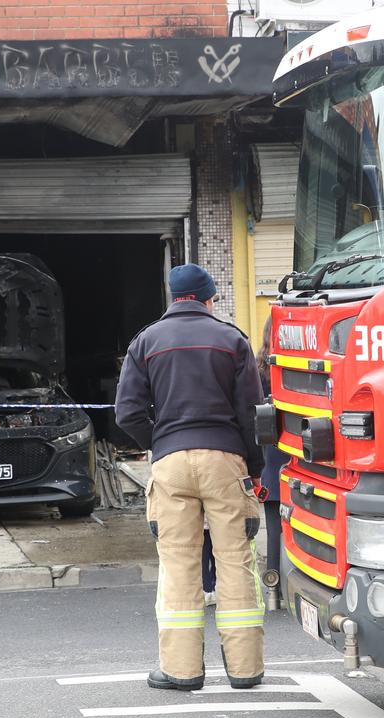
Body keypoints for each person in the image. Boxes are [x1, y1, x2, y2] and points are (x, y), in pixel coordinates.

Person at [115, 263, 266, 692]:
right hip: (225, 461)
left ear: (173, 297)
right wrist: (253, 468)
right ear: (209, 297)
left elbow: (126, 412)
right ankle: (245, 669)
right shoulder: (231, 339)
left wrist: (159, 441)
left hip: (170, 463)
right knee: (236, 561)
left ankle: (181, 673)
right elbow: (251, 415)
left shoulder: (145, 342)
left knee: (179, 564)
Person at [257, 316, 288, 601]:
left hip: (270, 460)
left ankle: (273, 587)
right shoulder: (294, 367)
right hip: (300, 458)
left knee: (274, 528)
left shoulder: (259, 370)